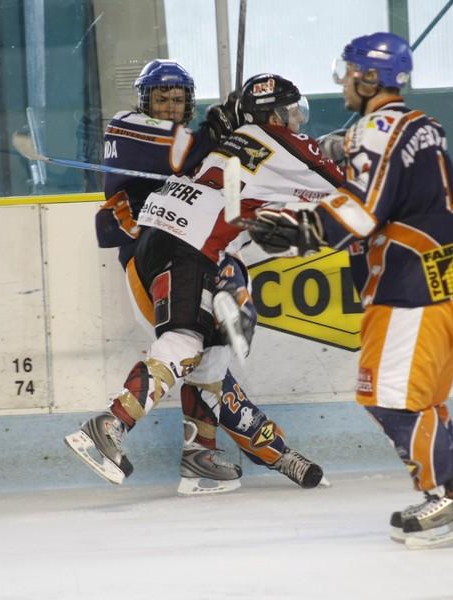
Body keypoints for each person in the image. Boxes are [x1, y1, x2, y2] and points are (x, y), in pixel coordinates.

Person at [246, 34, 453, 549]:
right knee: (424, 398)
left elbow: (362, 211)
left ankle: (449, 494)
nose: (343, 80)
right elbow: (396, 178)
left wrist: (299, 231)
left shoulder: (378, 127)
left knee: (386, 396)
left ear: (369, 77)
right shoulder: (422, 124)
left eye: (351, 70)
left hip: (415, 279)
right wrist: (347, 146)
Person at [65, 60, 326, 493]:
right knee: (188, 343)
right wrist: (221, 126)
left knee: (209, 357)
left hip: (193, 253)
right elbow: (180, 154)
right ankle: (116, 424)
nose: (169, 106)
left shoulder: (205, 147)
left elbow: (205, 165)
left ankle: (202, 455)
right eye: (161, 98)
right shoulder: (128, 124)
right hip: (152, 257)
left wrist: (235, 131)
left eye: (178, 99)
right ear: (144, 100)